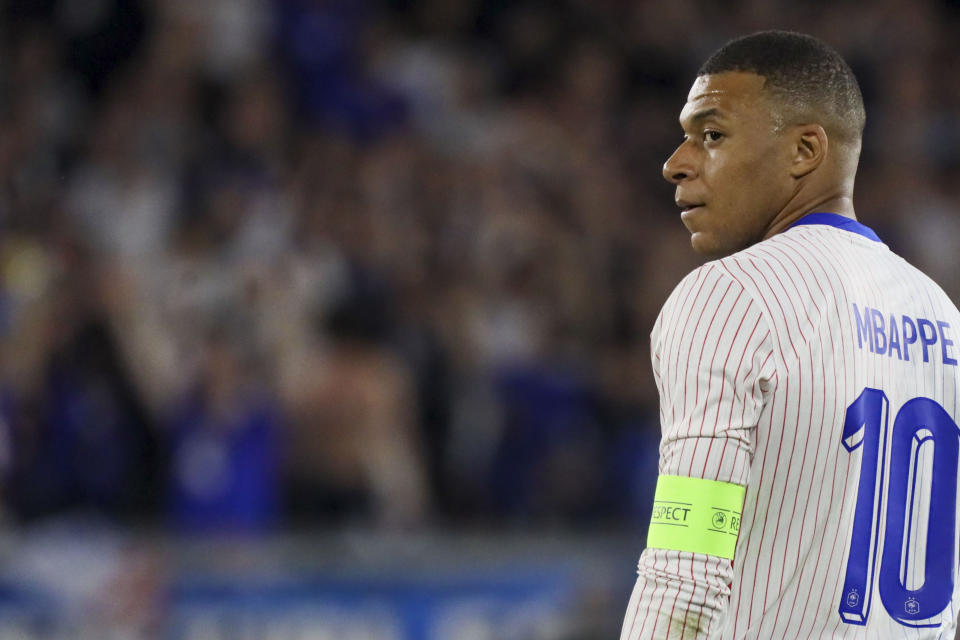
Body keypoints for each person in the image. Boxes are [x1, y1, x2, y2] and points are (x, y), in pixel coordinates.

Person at [620, 31, 960, 639]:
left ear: (805, 150)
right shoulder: (942, 316)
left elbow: (684, 575)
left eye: (713, 135)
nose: (676, 162)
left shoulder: (731, 294)